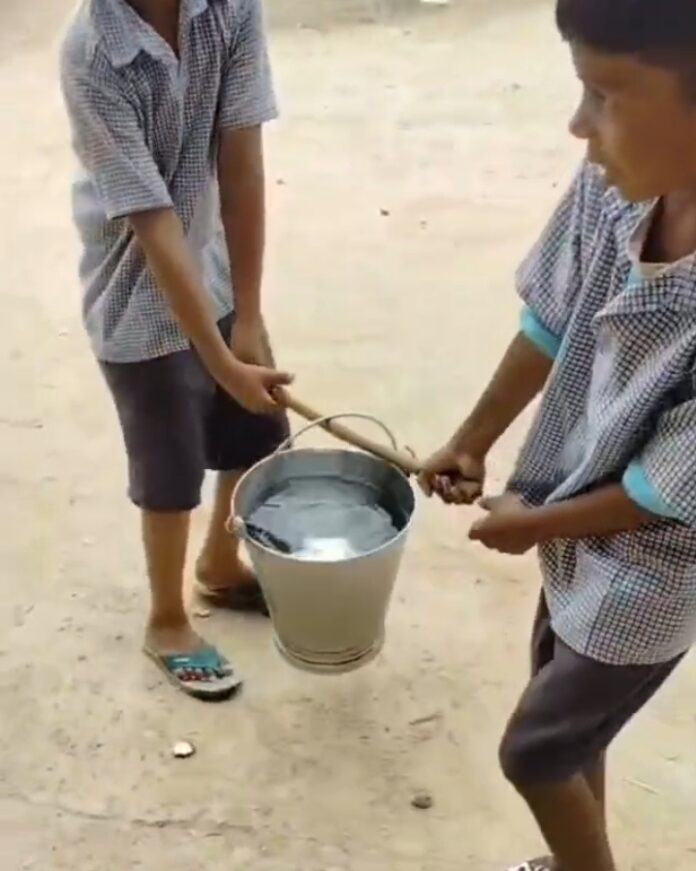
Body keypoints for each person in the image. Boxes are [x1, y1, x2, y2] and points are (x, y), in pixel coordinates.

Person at [420, 2, 696, 869]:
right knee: (571, 720)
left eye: (606, 95)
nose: (580, 126)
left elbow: (662, 490)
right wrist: (473, 438)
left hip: (654, 574)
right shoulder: (615, 180)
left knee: (535, 751)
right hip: (577, 523)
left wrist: (531, 523)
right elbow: (551, 315)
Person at [60, 0, 293, 702]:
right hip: (135, 288)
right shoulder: (92, 55)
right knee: (170, 466)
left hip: (213, 265)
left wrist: (246, 315)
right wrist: (219, 360)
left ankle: (220, 563)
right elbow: (152, 221)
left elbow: (241, 160)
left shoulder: (229, 9)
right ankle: (166, 620)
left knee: (259, 426)